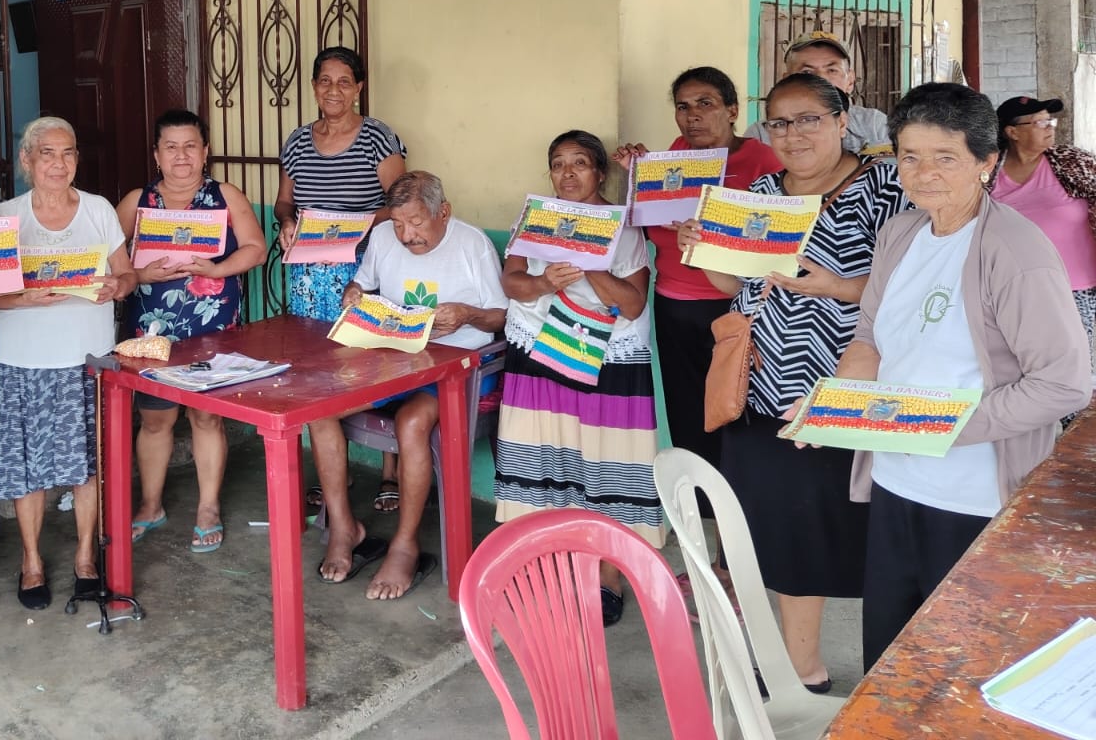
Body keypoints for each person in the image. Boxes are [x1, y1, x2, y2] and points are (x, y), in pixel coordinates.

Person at [823, 82, 1090, 672]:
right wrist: (836, 406)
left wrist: (935, 425)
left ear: (986, 160)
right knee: (890, 663)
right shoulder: (900, 233)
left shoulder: (1015, 251)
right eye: (910, 156)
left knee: (960, 670)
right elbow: (869, 337)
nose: (924, 174)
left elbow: (1064, 384)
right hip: (895, 482)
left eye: (945, 157)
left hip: (974, 500)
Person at [677, 74, 907, 692]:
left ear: (841, 120)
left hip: (835, 389)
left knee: (826, 530)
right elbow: (737, 285)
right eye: (779, 122)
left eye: (809, 119)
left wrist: (834, 285)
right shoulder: (760, 192)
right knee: (774, 527)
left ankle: (839, 673)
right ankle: (798, 664)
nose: (793, 134)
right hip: (758, 385)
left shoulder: (886, 187)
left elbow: (908, 285)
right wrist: (706, 250)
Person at [495, 131, 663, 627]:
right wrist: (543, 281)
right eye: (558, 164)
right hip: (538, 352)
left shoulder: (625, 229)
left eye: (580, 163)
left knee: (606, 466)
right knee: (544, 459)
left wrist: (589, 262)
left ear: (600, 173)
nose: (567, 173)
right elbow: (511, 283)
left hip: (608, 360)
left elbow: (633, 304)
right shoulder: (535, 218)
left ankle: (608, 575)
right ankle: (545, 565)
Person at [314, 170, 507, 600]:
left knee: (412, 422)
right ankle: (344, 528)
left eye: (416, 222)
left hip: (455, 366)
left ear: (444, 212)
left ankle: (405, 544)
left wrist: (468, 315)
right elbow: (363, 282)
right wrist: (354, 293)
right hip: (394, 358)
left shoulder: (471, 244)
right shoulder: (384, 237)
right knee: (321, 409)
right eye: (399, 223)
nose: (406, 235)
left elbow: (502, 316)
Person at [0, 117, 136, 610]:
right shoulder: (4, 216)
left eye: (67, 153)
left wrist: (117, 287)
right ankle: (31, 561)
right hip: (22, 359)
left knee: (87, 464)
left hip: (86, 357)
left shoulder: (97, 209)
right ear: (26, 160)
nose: (58, 163)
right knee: (25, 466)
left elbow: (127, 276)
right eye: (46, 153)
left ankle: (86, 557)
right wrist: (24, 299)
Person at [613, 66, 782, 472]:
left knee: (737, 406)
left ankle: (739, 497)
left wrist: (715, 228)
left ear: (732, 111)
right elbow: (651, 229)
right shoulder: (674, 157)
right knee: (687, 408)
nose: (692, 116)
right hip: (672, 304)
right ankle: (699, 497)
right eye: (683, 106)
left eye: (705, 103)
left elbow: (774, 240)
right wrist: (637, 178)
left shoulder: (762, 160)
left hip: (733, 305)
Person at [117, 109, 268, 554]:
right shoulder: (137, 201)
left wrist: (217, 269)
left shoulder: (225, 195)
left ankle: (207, 508)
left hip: (212, 325)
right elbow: (111, 260)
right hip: (152, 329)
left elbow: (257, 249)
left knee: (206, 416)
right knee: (155, 419)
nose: (181, 156)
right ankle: (150, 506)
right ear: (156, 155)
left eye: (190, 146)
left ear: (205, 152)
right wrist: (140, 276)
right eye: (171, 147)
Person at [272, 45, 408, 511]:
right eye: (325, 81)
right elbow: (284, 201)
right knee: (318, 371)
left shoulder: (377, 137)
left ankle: (390, 472)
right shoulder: (297, 141)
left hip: (364, 270)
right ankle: (336, 473)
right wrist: (286, 221)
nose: (334, 90)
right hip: (310, 276)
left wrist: (353, 226)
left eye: (344, 82)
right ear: (314, 87)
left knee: (373, 365)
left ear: (359, 88)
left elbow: (400, 202)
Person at [992, 94, 1096, 373]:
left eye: (1050, 121)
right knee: (1022, 366)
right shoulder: (989, 174)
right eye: (1039, 122)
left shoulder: (1072, 164)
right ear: (1012, 132)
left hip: (1075, 288)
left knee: (1074, 368)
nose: (1050, 127)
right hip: (1016, 290)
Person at [744, 32, 890, 156]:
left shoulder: (875, 125)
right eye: (807, 72)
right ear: (787, 82)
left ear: (850, 81)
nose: (821, 79)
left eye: (832, 70)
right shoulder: (761, 136)